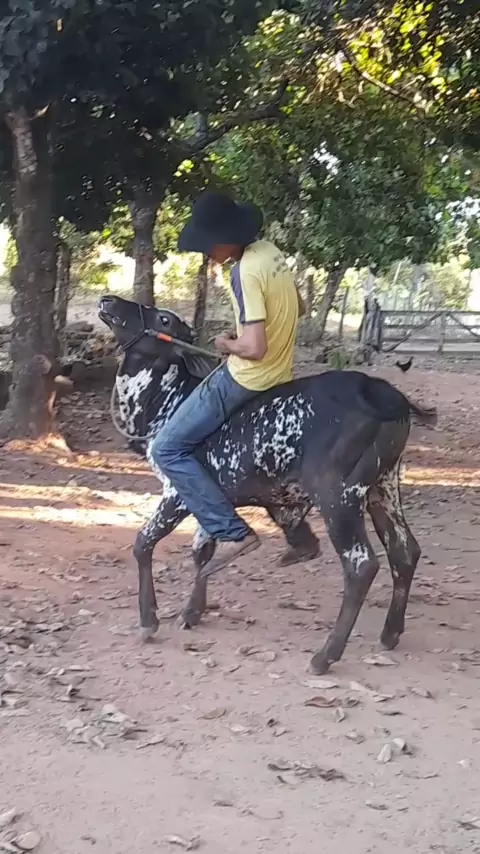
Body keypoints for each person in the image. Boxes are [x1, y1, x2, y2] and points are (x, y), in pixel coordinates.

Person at [149, 191, 302, 576]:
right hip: (281, 373)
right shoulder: (270, 253)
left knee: (166, 448)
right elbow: (296, 306)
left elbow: (255, 347)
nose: (207, 253)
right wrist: (244, 336)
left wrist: (227, 344)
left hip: (249, 376)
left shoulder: (242, 272)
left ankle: (230, 531)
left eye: (207, 245)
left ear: (224, 239)